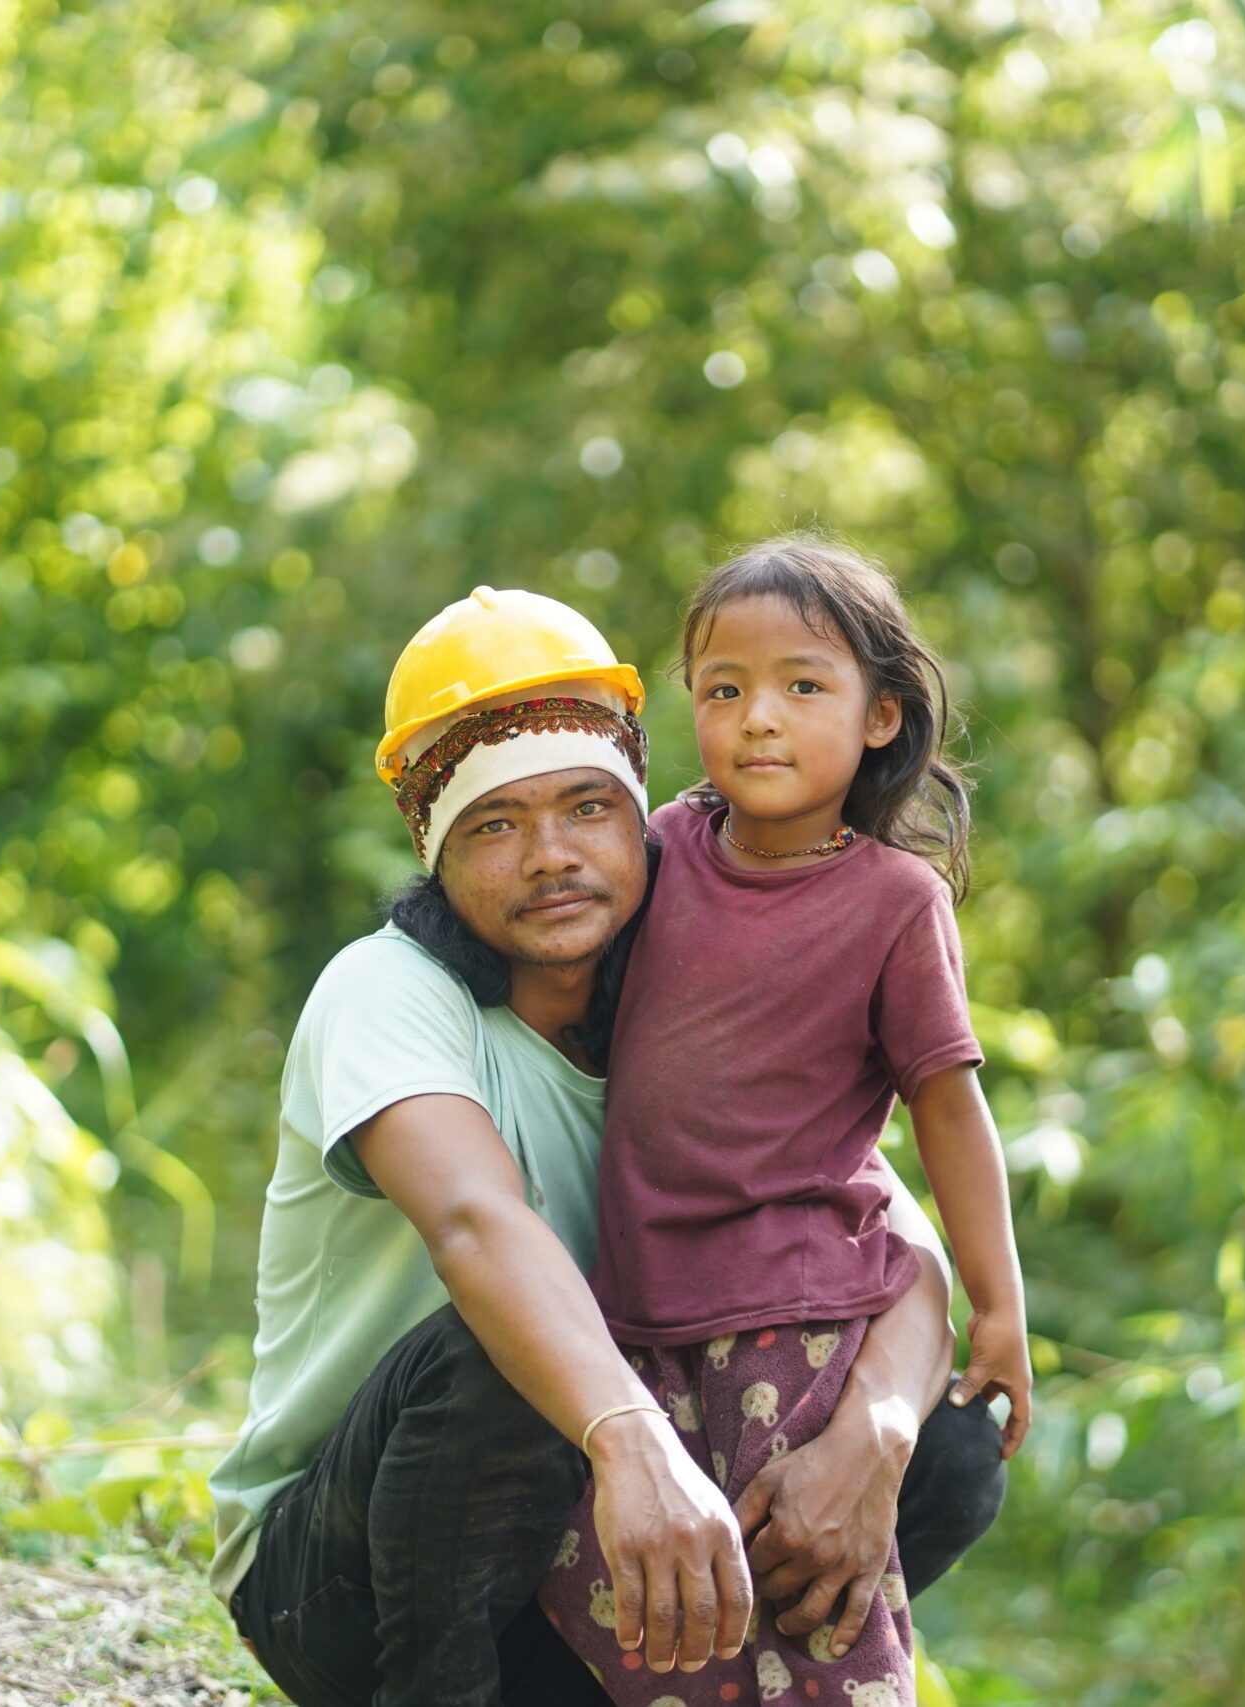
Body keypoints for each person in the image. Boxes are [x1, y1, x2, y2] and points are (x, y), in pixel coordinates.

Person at [206, 586, 1008, 1707]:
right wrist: (631, 1442)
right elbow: (476, 1228)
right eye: (494, 824)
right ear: (433, 845)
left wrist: (872, 1430)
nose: (550, 857)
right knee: (503, 1361)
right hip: (350, 1572)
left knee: (952, 1446)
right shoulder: (386, 993)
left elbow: (885, 1222)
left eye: (587, 809)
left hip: (592, 1545)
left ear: (638, 818)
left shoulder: (693, 982)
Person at [535, 537, 1030, 1703]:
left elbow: (949, 1112)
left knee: (801, 1611)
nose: (759, 717)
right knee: (647, 1612)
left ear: (879, 717)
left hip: (794, 1324)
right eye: (724, 689)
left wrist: (1000, 1304)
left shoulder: (894, 905)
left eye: (802, 686)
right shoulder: (656, 853)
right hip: (636, 1321)